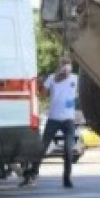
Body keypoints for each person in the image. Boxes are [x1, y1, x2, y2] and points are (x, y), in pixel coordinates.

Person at [21, 60, 80, 189]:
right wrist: (41, 85)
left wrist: (75, 99)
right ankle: (33, 172)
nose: (66, 72)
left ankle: (67, 178)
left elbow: (81, 92)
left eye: (68, 69)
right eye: (63, 69)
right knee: (42, 147)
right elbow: (42, 94)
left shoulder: (75, 79)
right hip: (53, 118)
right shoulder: (52, 78)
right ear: (59, 68)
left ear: (71, 69)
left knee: (69, 150)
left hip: (68, 120)